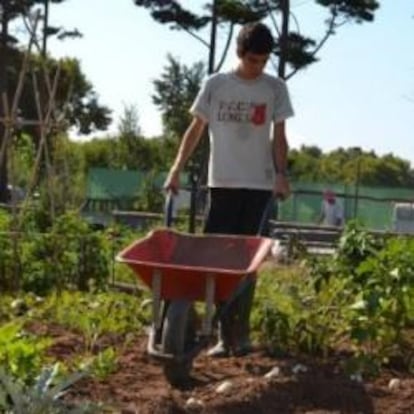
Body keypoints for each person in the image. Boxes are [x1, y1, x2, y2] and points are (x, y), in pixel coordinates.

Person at [164, 22, 294, 357]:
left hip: (259, 186)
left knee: (249, 264)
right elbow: (195, 130)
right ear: (240, 53)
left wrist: (281, 174)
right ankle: (222, 335)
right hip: (221, 184)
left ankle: (242, 334)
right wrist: (176, 168)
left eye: (264, 62)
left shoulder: (274, 88)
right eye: (253, 61)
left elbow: (279, 137)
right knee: (217, 261)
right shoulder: (216, 85)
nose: (258, 68)